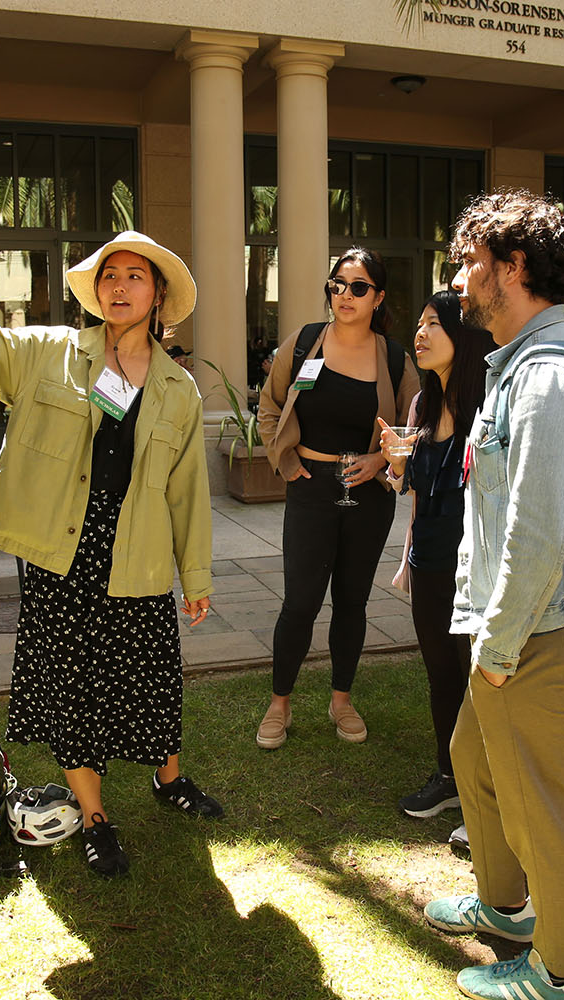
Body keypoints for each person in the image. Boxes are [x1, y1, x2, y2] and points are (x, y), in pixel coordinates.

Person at [0, 223, 221, 878]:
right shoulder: (51, 351)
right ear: (97, 293)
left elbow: (187, 489)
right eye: (110, 275)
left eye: (135, 275)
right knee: (74, 682)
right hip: (61, 553)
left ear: (157, 293)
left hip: (140, 551)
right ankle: (96, 817)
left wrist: (195, 572)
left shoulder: (176, 389)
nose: (120, 285)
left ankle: (168, 778)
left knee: (152, 674)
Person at [421, 190, 564, 1000]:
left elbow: (536, 540)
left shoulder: (545, 381)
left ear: (513, 268)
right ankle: (506, 911)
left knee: (541, 802)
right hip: (515, 630)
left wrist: (496, 653)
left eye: (472, 263)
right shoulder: (521, 365)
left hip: (540, 634)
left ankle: (561, 973)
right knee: (473, 758)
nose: (462, 280)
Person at [254, 248, 420, 749]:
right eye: (338, 285)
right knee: (300, 603)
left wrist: (381, 462)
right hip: (310, 489)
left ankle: (341, 699)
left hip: (368, 497)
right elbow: (268, 406)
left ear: (379, 297)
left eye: (359, 287)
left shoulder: (394, 358)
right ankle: (279, 702)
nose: (345, 295)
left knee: (352, 602)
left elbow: (414, 428)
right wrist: (286, 462)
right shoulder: (305, 343)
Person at [376, 290, 492, 826]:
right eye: (418, 323)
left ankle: (485, 792)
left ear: (461, 335)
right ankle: (448, 775)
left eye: (432, 324)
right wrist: (397, 467)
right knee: (442, 674)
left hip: (477, 567)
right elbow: (415, 490)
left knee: (482, 678)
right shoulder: (424, 404)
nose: (419, 334)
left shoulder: (489, 404)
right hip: (429, 563)